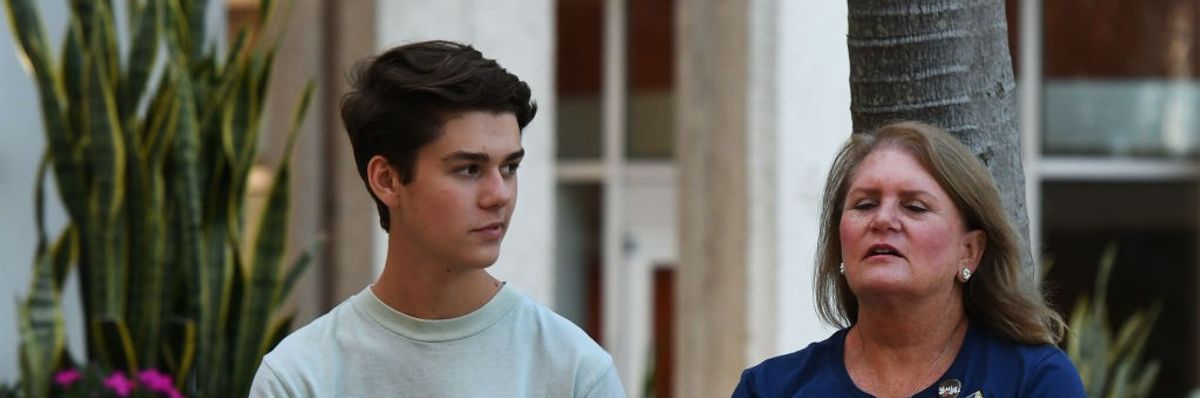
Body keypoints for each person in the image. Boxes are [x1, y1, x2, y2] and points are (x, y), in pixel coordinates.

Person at [250, 40, 624, 397]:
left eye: (509, 167)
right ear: (387, 179)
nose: (500, 194)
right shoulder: (301, 377)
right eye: (468, 169)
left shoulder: (574, 371)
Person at [732, 121, 1085, 397]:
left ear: (970, 252)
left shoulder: (1032, 380)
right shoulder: (770, 389)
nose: (882, 220)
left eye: (914, 206)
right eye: (865, 204)